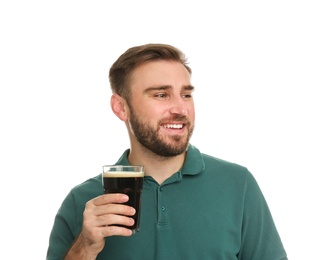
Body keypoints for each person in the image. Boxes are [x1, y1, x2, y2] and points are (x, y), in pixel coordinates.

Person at [47, 43, 288, 260]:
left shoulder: (238, 184)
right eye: (161, 95)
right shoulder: (83, 201)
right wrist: (84, 248)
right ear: (121, 108)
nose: (180, 108)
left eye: (186, 94)